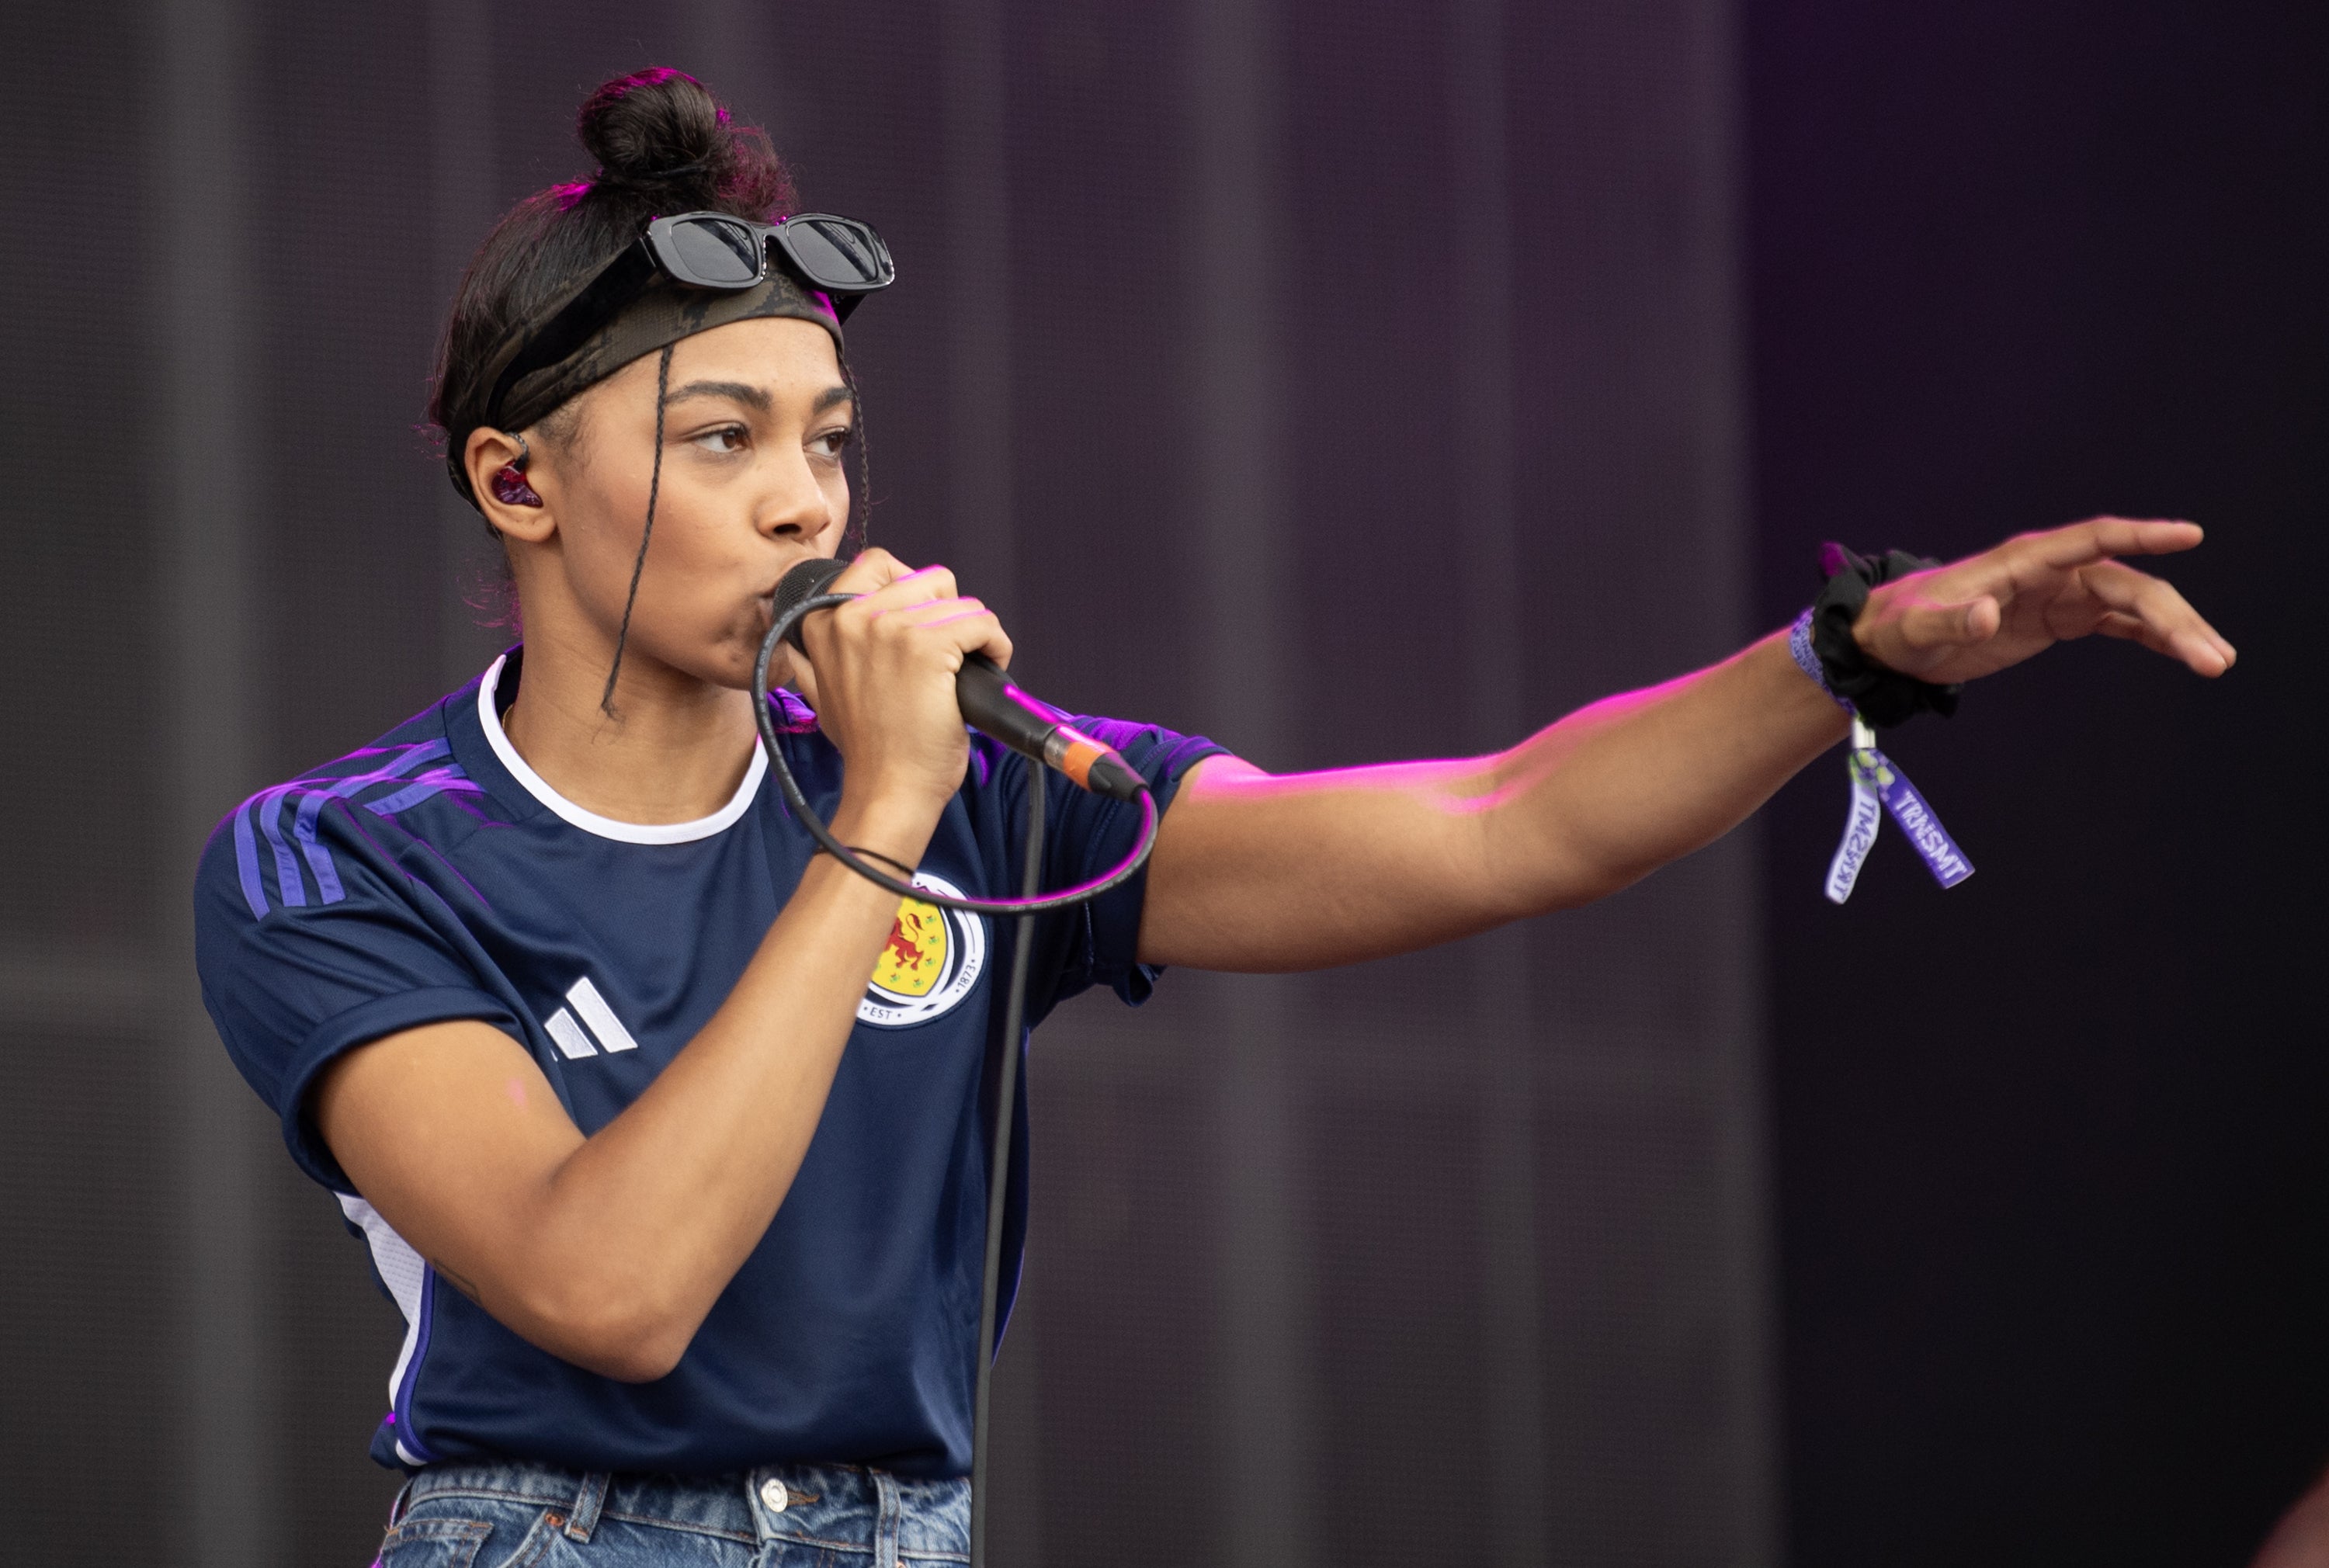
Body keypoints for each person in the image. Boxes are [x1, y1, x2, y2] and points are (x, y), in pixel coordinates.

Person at [192, 67, 2234, 1568]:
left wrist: (1852, 653)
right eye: (721, 440)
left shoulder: (986, 797)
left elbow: (1508, 819)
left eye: (826, 436)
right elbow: (611, 1287)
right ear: (517, 484)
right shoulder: (344, 857)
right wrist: (882, 820)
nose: (811, 502)